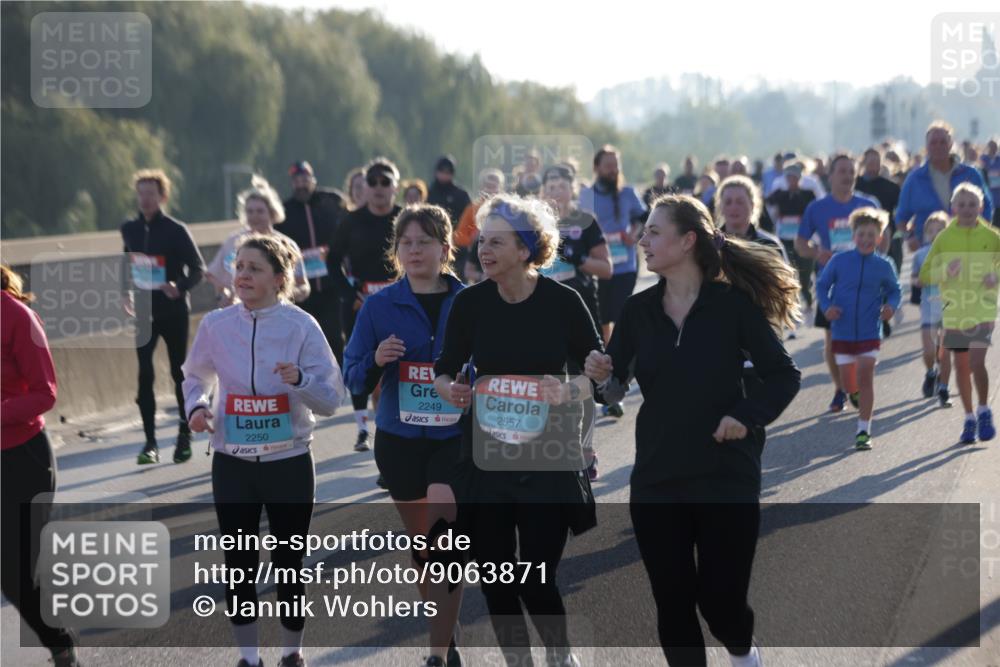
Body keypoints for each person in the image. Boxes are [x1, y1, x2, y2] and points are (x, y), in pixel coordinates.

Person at [584, 194, 801, 667]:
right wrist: (601, 376)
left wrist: (745, 416)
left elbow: (783, 374)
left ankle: (743, 654)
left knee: (720, 607)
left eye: (654, 232)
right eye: (643, 232)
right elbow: (613, 391)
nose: (642, 240)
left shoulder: (733, 306)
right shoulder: (638, 311)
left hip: (726, 474)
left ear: (687, 241)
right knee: (674, 605)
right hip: (658, 476)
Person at [433, 194, 602, 667]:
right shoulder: (469, 304)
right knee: (494, 573)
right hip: (488, 457)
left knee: (535, 577)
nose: (483, 251)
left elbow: (599, 373)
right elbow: (444, 369)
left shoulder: (564, 302)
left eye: (496, 243)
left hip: (547, 456)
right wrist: (450, 390)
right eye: (481, 241)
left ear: (526, 249)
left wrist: (569, 388)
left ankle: (559, 653)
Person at [183, 234, 345, 667]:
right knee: (238, 563)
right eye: (238, 267)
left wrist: (299, 382)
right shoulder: (216, 325)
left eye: (254, 268)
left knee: (289, 562)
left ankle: (291, 652)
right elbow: (194, 376)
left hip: (288, 461)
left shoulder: (301, 326)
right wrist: (197, 407)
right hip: (233, 462)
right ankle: (248, 658)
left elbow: (331, 399)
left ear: (279, 278)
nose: (242, 276)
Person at [343, 205, 465, 667]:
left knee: (444, 536)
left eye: (425, 242)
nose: (415, 250)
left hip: (453, 438)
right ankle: (446, 637)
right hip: (399, 440)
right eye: (407, 243)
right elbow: (351, 377)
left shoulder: (471, 301)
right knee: (422, 547)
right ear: (397, 252)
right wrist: (376, 360)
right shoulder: (378, 307)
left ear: (445, 249)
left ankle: (437, 654)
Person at [1, 266, 81, 667]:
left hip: (22, 458)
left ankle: (60, 644)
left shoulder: (16, 315)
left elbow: (45, 392)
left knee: (14, 572)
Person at [120, 168, 205, 465]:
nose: (145, 199)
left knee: (178, 373)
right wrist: (124, 293)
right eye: (141, 193)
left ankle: (185, 434)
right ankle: (150, 443)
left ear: (162, 196)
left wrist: (178, 287)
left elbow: (198, 270)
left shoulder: (175, 230)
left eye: (151, 194)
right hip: (144, 311)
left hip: (173, 311)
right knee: (144, 374)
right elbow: (126, 262)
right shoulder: (129, 229)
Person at [542, 163, 613, 481]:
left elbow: (607, 268)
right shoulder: (534, 224)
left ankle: (585, 451)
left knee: (582, 385)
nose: (555, 191)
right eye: (550, 186)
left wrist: (579, 259)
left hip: (581, 315)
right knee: (548, 385)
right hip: (543, 318)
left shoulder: (585, 223)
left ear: (572, 189)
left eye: (561, 185)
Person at [795, 153, 880, 413]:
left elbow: (884, 239)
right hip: (831, 282)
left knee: (864, 339)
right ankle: (840, 388)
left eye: (851, 171)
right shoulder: (817, 208)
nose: (847, 176)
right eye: (842, 171)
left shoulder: (868, 204)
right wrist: (816, 253)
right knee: (833, 341)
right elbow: (800, 244)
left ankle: (856, 385)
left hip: (865, 282)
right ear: (830, 176)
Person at [331, 157, 403, 452]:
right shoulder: (352, 220)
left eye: (385, 181)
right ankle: (362, 428)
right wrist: (350, 295)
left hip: (398, 301)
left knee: (394, 366)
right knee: (360, 361)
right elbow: (332, 262)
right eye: (372, 182)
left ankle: (392, 428)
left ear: (395, 187)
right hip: (361, 302)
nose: (378, 187)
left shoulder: (405, 218)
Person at [919, 183, 1000, 444]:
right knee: (961, 367)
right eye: (962, 205)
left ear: (981, 207)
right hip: (954, 311)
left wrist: (995, 276)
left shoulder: (992, 237)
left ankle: (984, 409)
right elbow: (924, 275)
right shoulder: (944, 238)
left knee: (977, 362)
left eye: (972, 205)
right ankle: (968, 418)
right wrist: (945, 273)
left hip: (983, 308)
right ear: (953, 208)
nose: (967, 209)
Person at [816, 208, 901, 449]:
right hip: (842, 330)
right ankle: (852, 394)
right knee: (848, 383)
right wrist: (827, 307)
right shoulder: (840, 261)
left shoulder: (884, 265)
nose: (866, 239)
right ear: (853, 236)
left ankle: (863, 431)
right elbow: (822, 286)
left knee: (866, 375)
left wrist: (891, 306)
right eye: (861, 234)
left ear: (880, 238)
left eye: (871, 235)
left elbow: (895, 290)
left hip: (869, 331)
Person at [579, 145, 646, 418]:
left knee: (620, 315)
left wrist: (634, 233)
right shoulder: (587, 196)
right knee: (603, 320)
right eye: (608, 164)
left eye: (616, 164)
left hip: (626, 265)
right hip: (598, 267)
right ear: (596, 167)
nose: (613, 169)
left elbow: (643, 218)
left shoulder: (628, 193)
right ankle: (610, 368)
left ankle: (617, 372)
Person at [281, 160, 350, 362]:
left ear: (313, 180)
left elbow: (347, 227)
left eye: (305, 179)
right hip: (302, 289)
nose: (301, 184)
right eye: (297, 180)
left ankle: (338, 385)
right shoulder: (284, 211)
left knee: (335, 338)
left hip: (331, 286)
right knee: (303, 341)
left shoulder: (331, 201)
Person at [207, 176, 310, 307]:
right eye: (250, 211)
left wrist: (283, 293)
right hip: (240, 314)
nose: (254, 216)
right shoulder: (233, 242)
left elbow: (304, 287)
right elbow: (215, 276)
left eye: (260, 211)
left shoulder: (287, 245)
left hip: (276, 314)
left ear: (272, 213)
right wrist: (222, 295)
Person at [897, 121, 994, 253]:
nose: (938, 146)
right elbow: (901, 217)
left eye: (943, 142)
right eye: (933, 142)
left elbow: (987, 207)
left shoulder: (970, 174)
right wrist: (909, 238)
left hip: (967, 246)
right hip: (930, 250)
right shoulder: (915, 179)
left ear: (951, 144)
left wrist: (981, 233)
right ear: (926, 146)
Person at [911, 212, 950, 405]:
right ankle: (930, 372)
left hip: (949, 308)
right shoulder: (920, 255)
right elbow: (914, 278)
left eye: (940, 230)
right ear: (925, 233)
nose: (935, 234)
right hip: (928, 308)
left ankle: (943, 384)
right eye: (931, 230)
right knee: (928, 351)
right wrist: (918, 281)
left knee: (943, 352)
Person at [766, 162, 816, 311]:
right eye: (789, 177)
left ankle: (807, 298)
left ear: (799, 178)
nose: (791, 180)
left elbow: (815, 211)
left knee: (805, 275)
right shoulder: (780, 193)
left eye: (794, 177)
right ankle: (791, 303)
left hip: (804, 239)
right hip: (785, 239)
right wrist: (774, 215)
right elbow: (766, 202)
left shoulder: (808, 194)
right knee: (788, 270)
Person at [714, 175, 787, 262]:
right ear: (720, 207)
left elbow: (786, 275)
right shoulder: (712, 244)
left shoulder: (769, 245)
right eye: (728, 202)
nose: (734, 207)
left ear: (752, 205)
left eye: (740, 202)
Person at [855, 148, 902, 274]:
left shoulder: (891, 187)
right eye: (870, 162)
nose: (873, 165)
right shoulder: (855, 185)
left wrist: (894, 229)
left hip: (886, 236)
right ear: (863, 163)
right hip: (860, 237)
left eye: (876, 162)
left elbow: (899, 211)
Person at [454, 168, 505, 284]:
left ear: (501, 189)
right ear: (481, 188)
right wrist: (473, 237)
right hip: (477, 260)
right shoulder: (472, 209)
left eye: (495, 186)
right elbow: (458, 237)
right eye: (488, 186)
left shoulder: (508, 211)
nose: (491, 190)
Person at [427, 155, 472, 229]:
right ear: (436, 172)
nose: (444, 175)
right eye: (442, 171)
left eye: (448, 172)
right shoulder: (428, 193)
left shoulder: (461, 195)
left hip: (456, 235)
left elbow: (469, 217)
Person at [980, 137, 1000, 226]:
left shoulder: (999, 159)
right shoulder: (983, 158)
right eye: (991, 146)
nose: (993, 148)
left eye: (995, 146)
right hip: (988, 192)